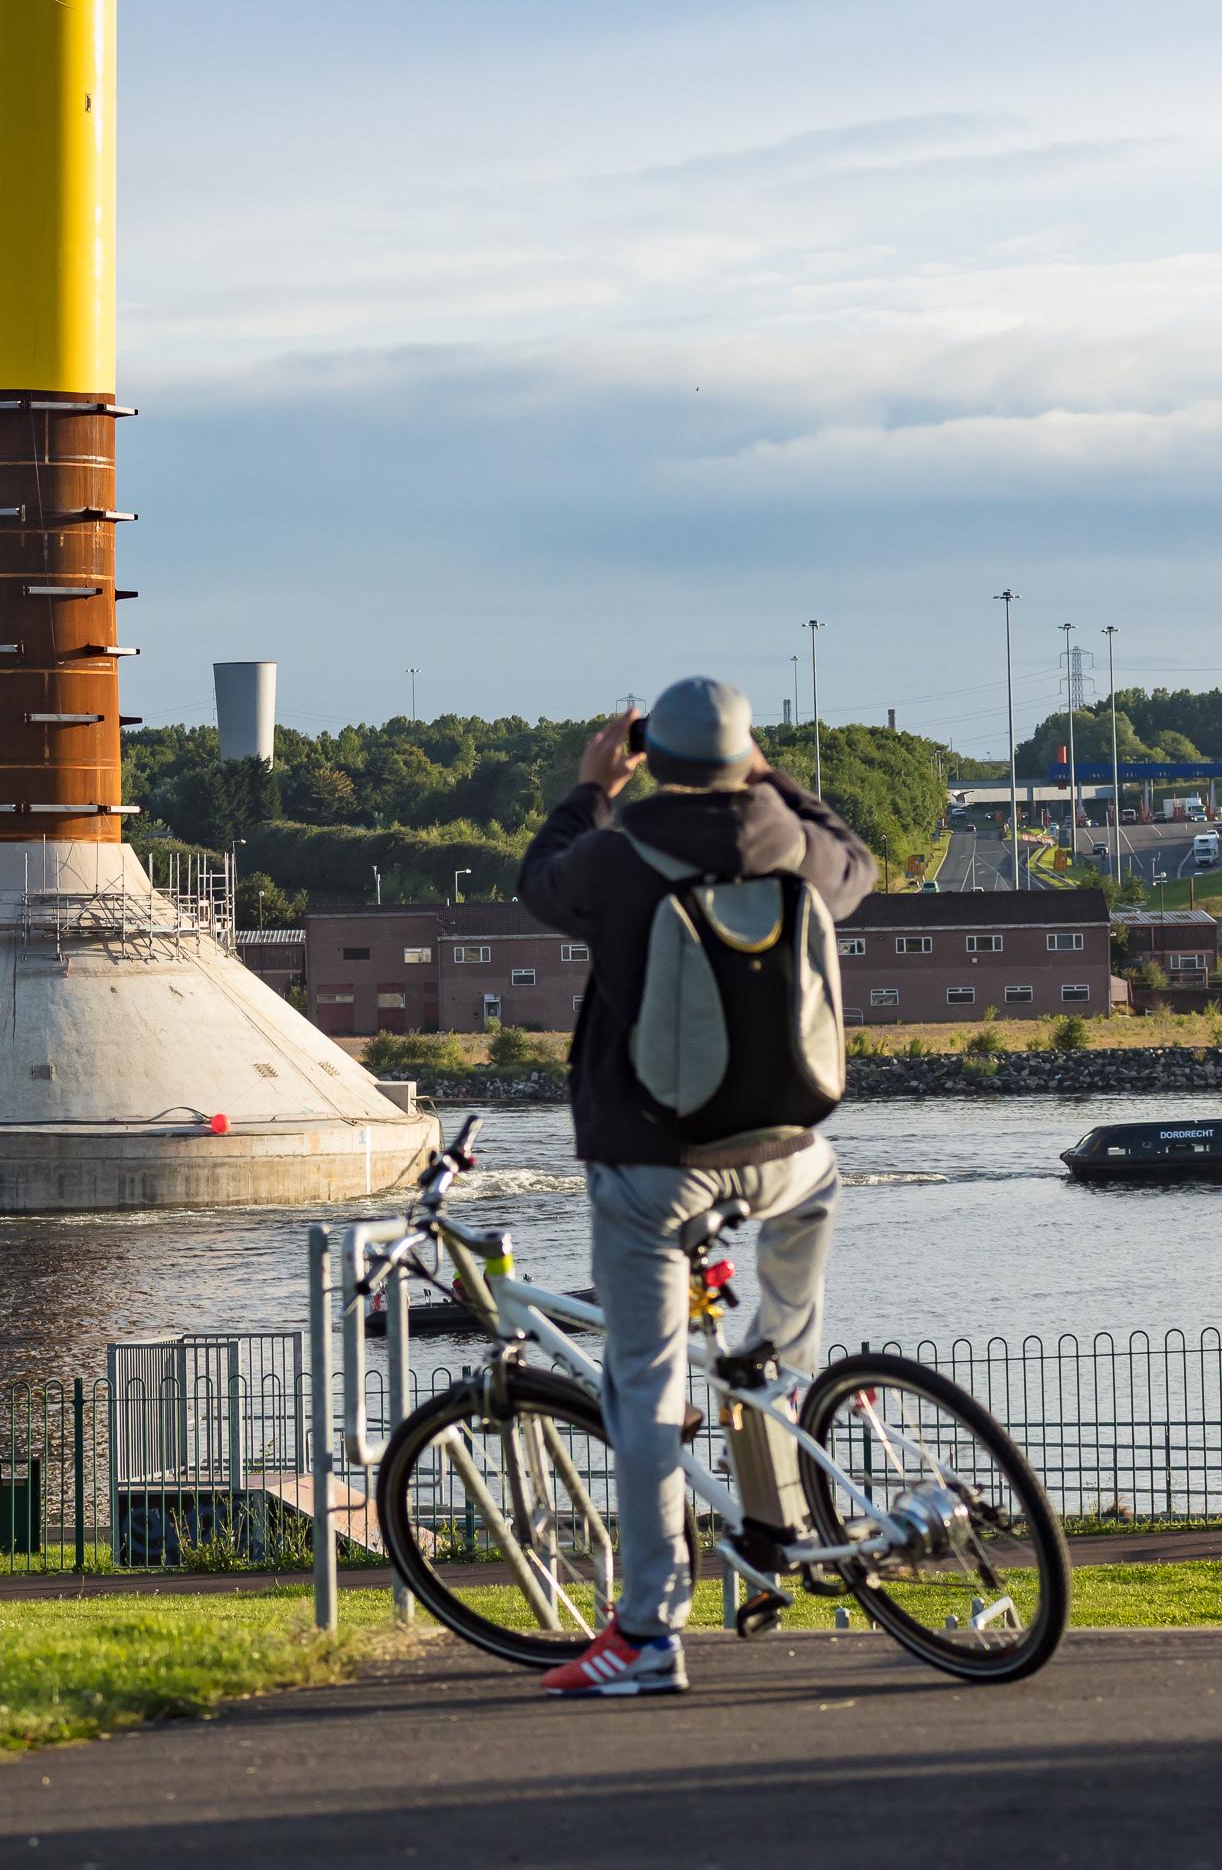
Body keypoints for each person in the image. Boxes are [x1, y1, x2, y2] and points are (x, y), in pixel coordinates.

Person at [513, 674, 878, 1698]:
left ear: (654, 758)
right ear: (744, 755)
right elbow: (859, 862)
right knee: (798, 1260)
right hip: (788, 1149)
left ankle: (646, 1634)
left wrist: (594, 786)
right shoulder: (796, 844)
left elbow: (539, 883)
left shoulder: (619, 855)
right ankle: (780, 1384)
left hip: (654, 1164)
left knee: (644, 1392)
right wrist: (773, 777)